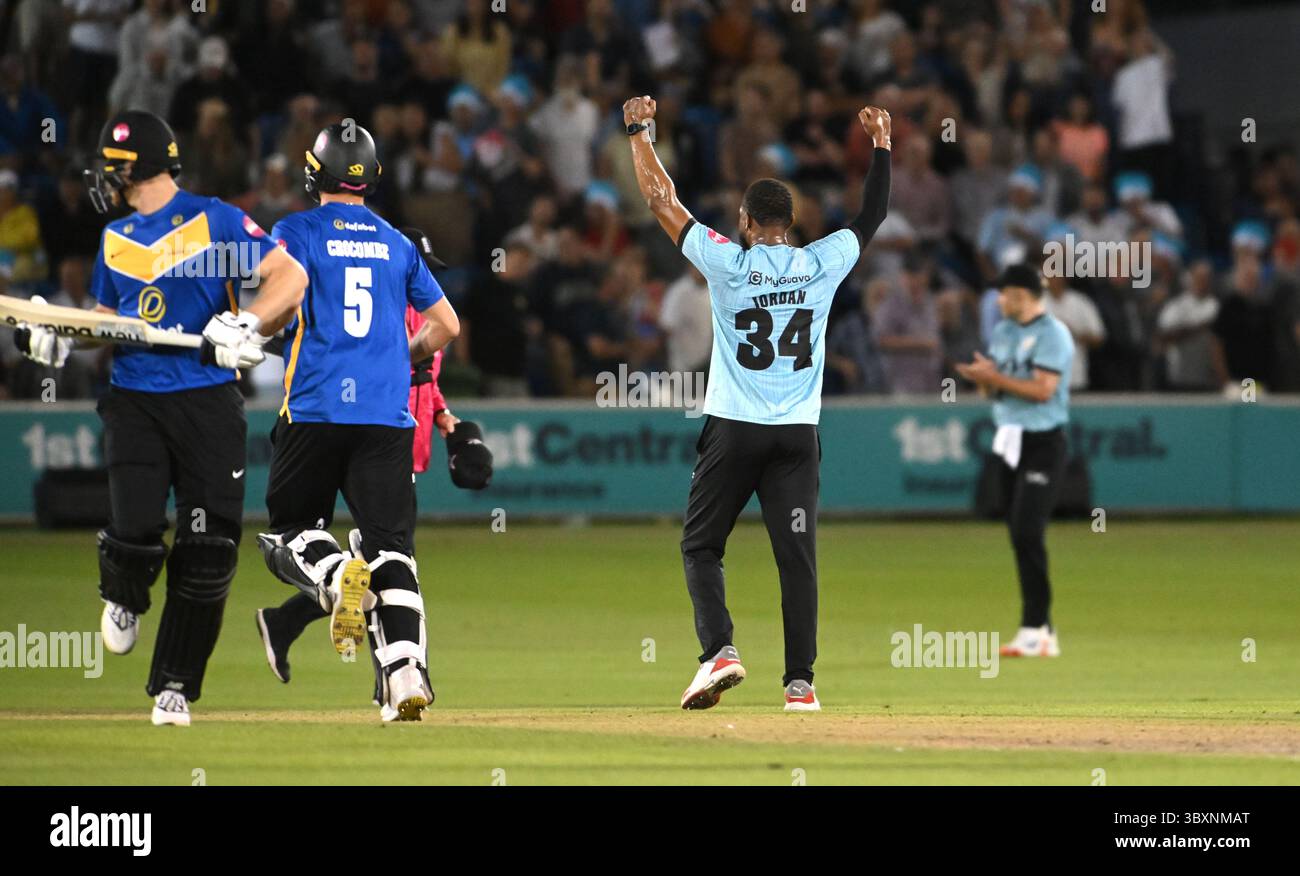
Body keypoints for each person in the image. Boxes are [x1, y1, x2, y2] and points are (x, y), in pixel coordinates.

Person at [15, 109, 307, 725]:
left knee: (208, 550)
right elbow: (109, 321)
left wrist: (249, 321)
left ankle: (174, 687)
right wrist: (62, 337)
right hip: (137, 400)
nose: (103, 178)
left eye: (110, 168)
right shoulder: (114, 238)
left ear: (132, 167)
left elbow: (290, 276)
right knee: (137, 528)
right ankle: (123, 595)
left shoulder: (218, 221)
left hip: (207, 402)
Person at [623, 94, 891, 712]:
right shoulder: (822, 262)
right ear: (790, 224)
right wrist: (881, 145)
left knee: (700, 545)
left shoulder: (729, 262)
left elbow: (663, 201)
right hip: (797, 434)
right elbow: (873, 214)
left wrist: (640, 134)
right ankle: (801, 685)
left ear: (745, 222)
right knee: (796, 558)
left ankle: (719, 651)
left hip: (735, 429)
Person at [253, 123, 460, 723]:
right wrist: (405, 356)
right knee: (395, 549)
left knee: (290, 530)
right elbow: (446, 325)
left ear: (313, 173)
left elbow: (277, 302)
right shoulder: (398, 243)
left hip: (316, 408)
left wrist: (251, 331)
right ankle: (404, 679)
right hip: (387, 418)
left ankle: (336, 572)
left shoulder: (295, 230)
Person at [955, 263, 1074, 659]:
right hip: (1009, 439)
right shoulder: (1004, 332)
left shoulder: (1052, 334)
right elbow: (997, 395)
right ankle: (1041, 630)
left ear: (1023, 294)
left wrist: (997, 379)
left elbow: (1042, 390)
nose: (1000, 300)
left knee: (1028, 531)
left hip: (1043, 441)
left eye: (1005, 293)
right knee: (1017, 531)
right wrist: (985, 379)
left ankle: (1036, 628)